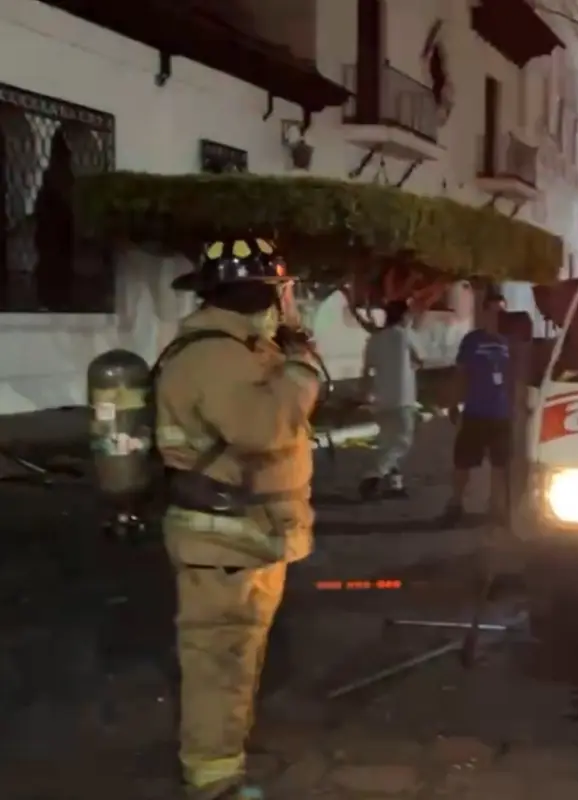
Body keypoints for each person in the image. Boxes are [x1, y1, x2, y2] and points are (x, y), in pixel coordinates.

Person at [157, 238, 322, 800]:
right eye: (281, 292)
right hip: (224, 539)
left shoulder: (242, 347)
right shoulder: (215, 354)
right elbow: (262, 426)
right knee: (219, 662)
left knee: (234, 656)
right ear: (263, 292)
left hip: (246, 536)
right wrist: (301, 362)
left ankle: (223, 762)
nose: (284, 304)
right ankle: (213, 779)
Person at [441, 289, 511, 526]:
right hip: (475, 412)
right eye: (492, 312)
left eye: (501, 312)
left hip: (502, 414)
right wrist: (453, 403)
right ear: (484, 313)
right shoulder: (472, 340)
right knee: (463, 462)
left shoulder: (510, 342)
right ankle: (455, 503)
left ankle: (496, 507)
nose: (496, 317)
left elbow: (519, 377)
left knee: (501, 463)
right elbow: (460, 374)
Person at [358, 299, 422, 500]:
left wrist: (365, 394)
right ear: (403, 316)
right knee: (402, 442)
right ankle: (373, 476)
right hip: (403, 398)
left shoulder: (375, 339)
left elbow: (367, 370)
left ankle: (395, 485)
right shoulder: (405, 335)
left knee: (387, 443)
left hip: (381, 398)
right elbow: (420, 359)